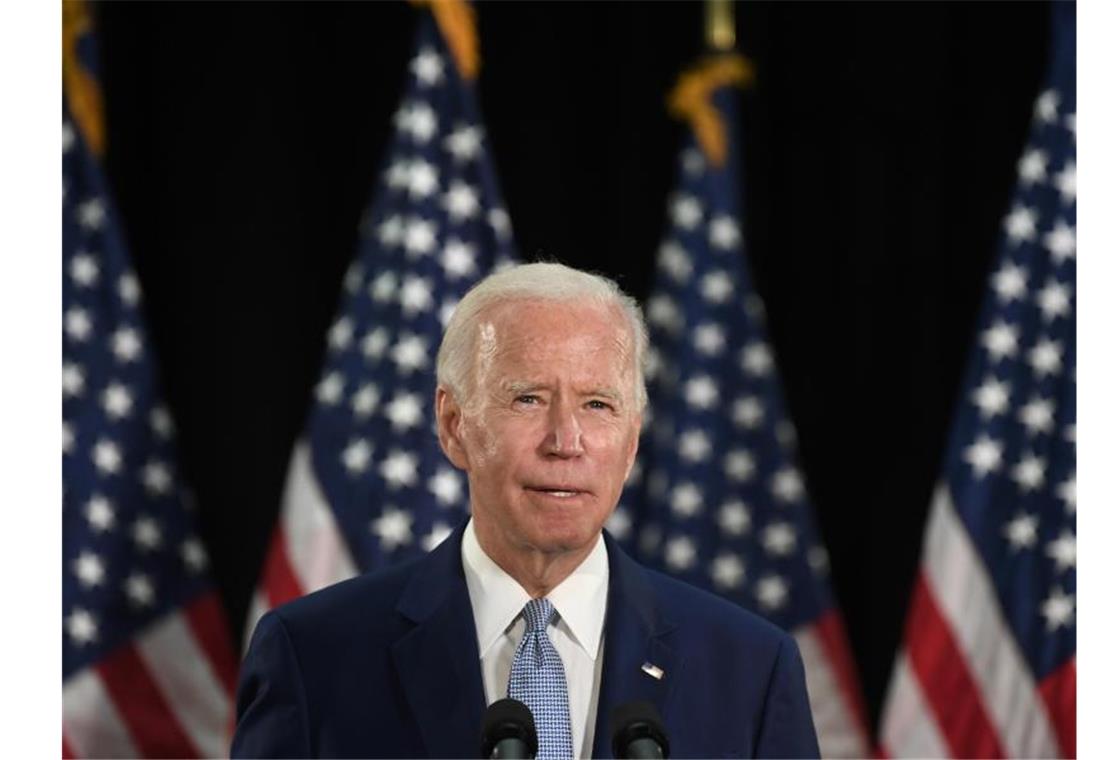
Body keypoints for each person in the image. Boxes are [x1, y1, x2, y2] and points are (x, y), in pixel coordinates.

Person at [231, 263, 820, 758]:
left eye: (597, 404)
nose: (565, 440)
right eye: (529, 399)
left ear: (632, 438)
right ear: (454, 424)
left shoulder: (750, 670)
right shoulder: (313, 657)